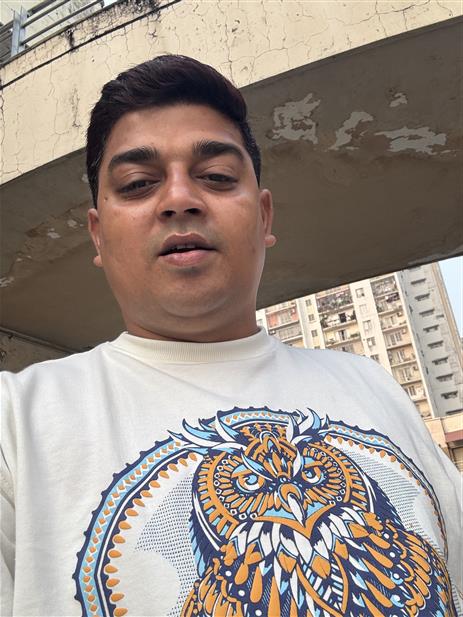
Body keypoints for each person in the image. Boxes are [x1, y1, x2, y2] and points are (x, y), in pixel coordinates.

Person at [0, 55, 461, 617]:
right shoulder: (15, 424)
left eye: (216, 176)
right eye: (138, 184)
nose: (179, 199)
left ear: (264, 218)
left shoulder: (375, 387)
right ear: (98, 235)